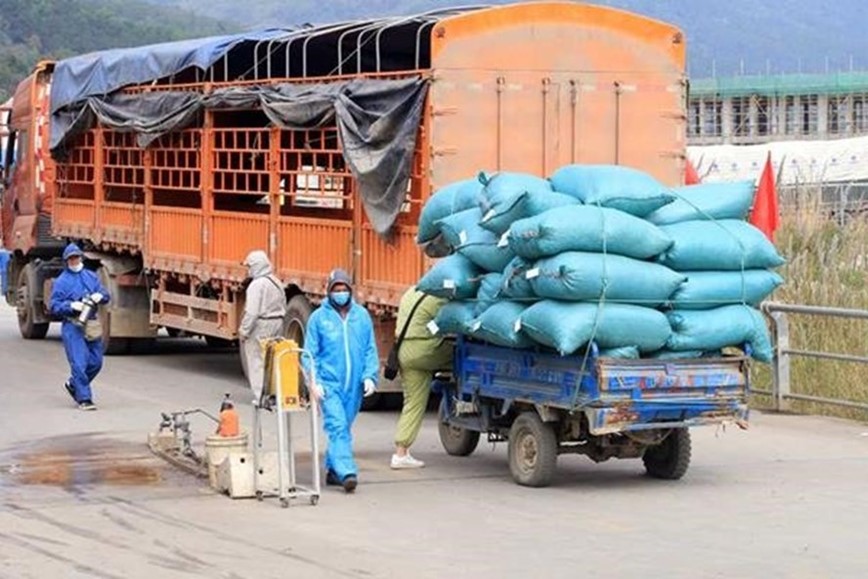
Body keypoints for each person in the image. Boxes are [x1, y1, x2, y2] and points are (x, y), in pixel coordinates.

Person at [303, 268, 379, 493]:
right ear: (328, 291)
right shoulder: (319, 318)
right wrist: (313, 382)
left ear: (350, 290)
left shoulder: (361, 316)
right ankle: (347, 472)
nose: (340, 293)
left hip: (353, 385)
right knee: (337, 426)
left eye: (344, 289)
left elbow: (369, 349)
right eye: (336, 289)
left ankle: (333, 471)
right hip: (329, 385)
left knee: (343, 426)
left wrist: (370, 376)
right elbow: (309, 353)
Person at [391, 287, 451, 469]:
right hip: (424, 351)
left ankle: (401, 452)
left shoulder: (410, 293)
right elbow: (450, 318)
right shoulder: (437, 299)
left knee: (413, 402)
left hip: (402, 352)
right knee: (461, 355)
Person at [50, 243, 110, 411]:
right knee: (79, 363)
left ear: (81, 258)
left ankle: (73, 383)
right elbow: (54, 305)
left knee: (96, 362)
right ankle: (84, 399)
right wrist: (71, 306)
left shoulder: (91, 276)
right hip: (73, 325)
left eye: (76, 257)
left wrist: (101, 296)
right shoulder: (62, 282)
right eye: (71, 258)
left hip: (91, 323)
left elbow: (106, 295)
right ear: (66, 261)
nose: (74, 261)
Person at [238, 250, 287, 404]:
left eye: (250, 267)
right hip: (277, 322)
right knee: (272, 360)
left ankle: (260, 396)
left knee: (256, 360)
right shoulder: (276, 281)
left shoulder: (256, 285)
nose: (249, 270)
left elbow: (251, 312)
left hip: (261, 325)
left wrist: (244, 331)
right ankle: (274, 393)